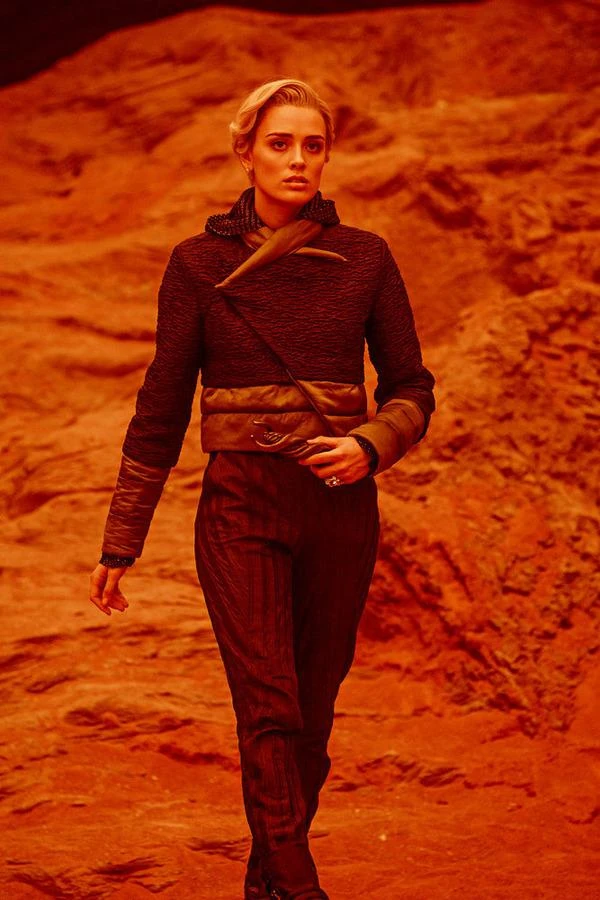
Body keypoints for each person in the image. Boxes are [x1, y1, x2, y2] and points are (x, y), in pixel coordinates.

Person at [89, 78, 435, 900]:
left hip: (340, 507)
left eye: (313, 145)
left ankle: (269, 877)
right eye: (280, 144)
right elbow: (162, 404)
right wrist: (122, 539)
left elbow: (412, 389)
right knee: (269, 702)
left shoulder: (367, 258)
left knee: (312, 708)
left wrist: (370, 446)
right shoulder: (198, 264)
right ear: (245, 152)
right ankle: (298, 881)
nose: (298, 160)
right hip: (241, 505)